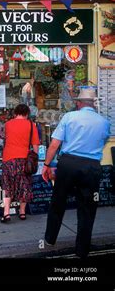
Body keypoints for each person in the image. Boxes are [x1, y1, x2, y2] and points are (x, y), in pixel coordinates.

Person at [43, 87, 110, 258]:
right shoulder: (104, 122)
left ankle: (50, 238)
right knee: (87, 208)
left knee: (58, 201)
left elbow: (54, 144)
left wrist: (46, 164)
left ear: (79, 103)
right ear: (94, 104)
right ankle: (82, 249)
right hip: (91, 166)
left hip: (68, 164)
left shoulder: (69, 117)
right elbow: (102, 142)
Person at [0, 104, 39, 223]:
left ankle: (6, 212)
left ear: (15, 113)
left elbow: (5, 139)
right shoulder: (31, 125)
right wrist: (35, 158)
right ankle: (22, 212)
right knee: (24, 184)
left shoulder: (7, 124)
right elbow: (35, 145)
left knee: (8, 185)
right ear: (27, 113)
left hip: (8, 158)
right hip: (24, 159)